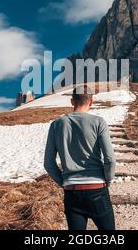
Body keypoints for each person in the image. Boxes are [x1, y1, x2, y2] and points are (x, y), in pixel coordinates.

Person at [44, 84, 116, 230]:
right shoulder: (98, 122)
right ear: (91, 102)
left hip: (72, 191)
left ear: (72, 101)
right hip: (97, 188)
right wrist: (107, 180)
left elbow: (48, 163)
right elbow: (110, 159)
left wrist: (64, 182)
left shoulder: (56, 125)